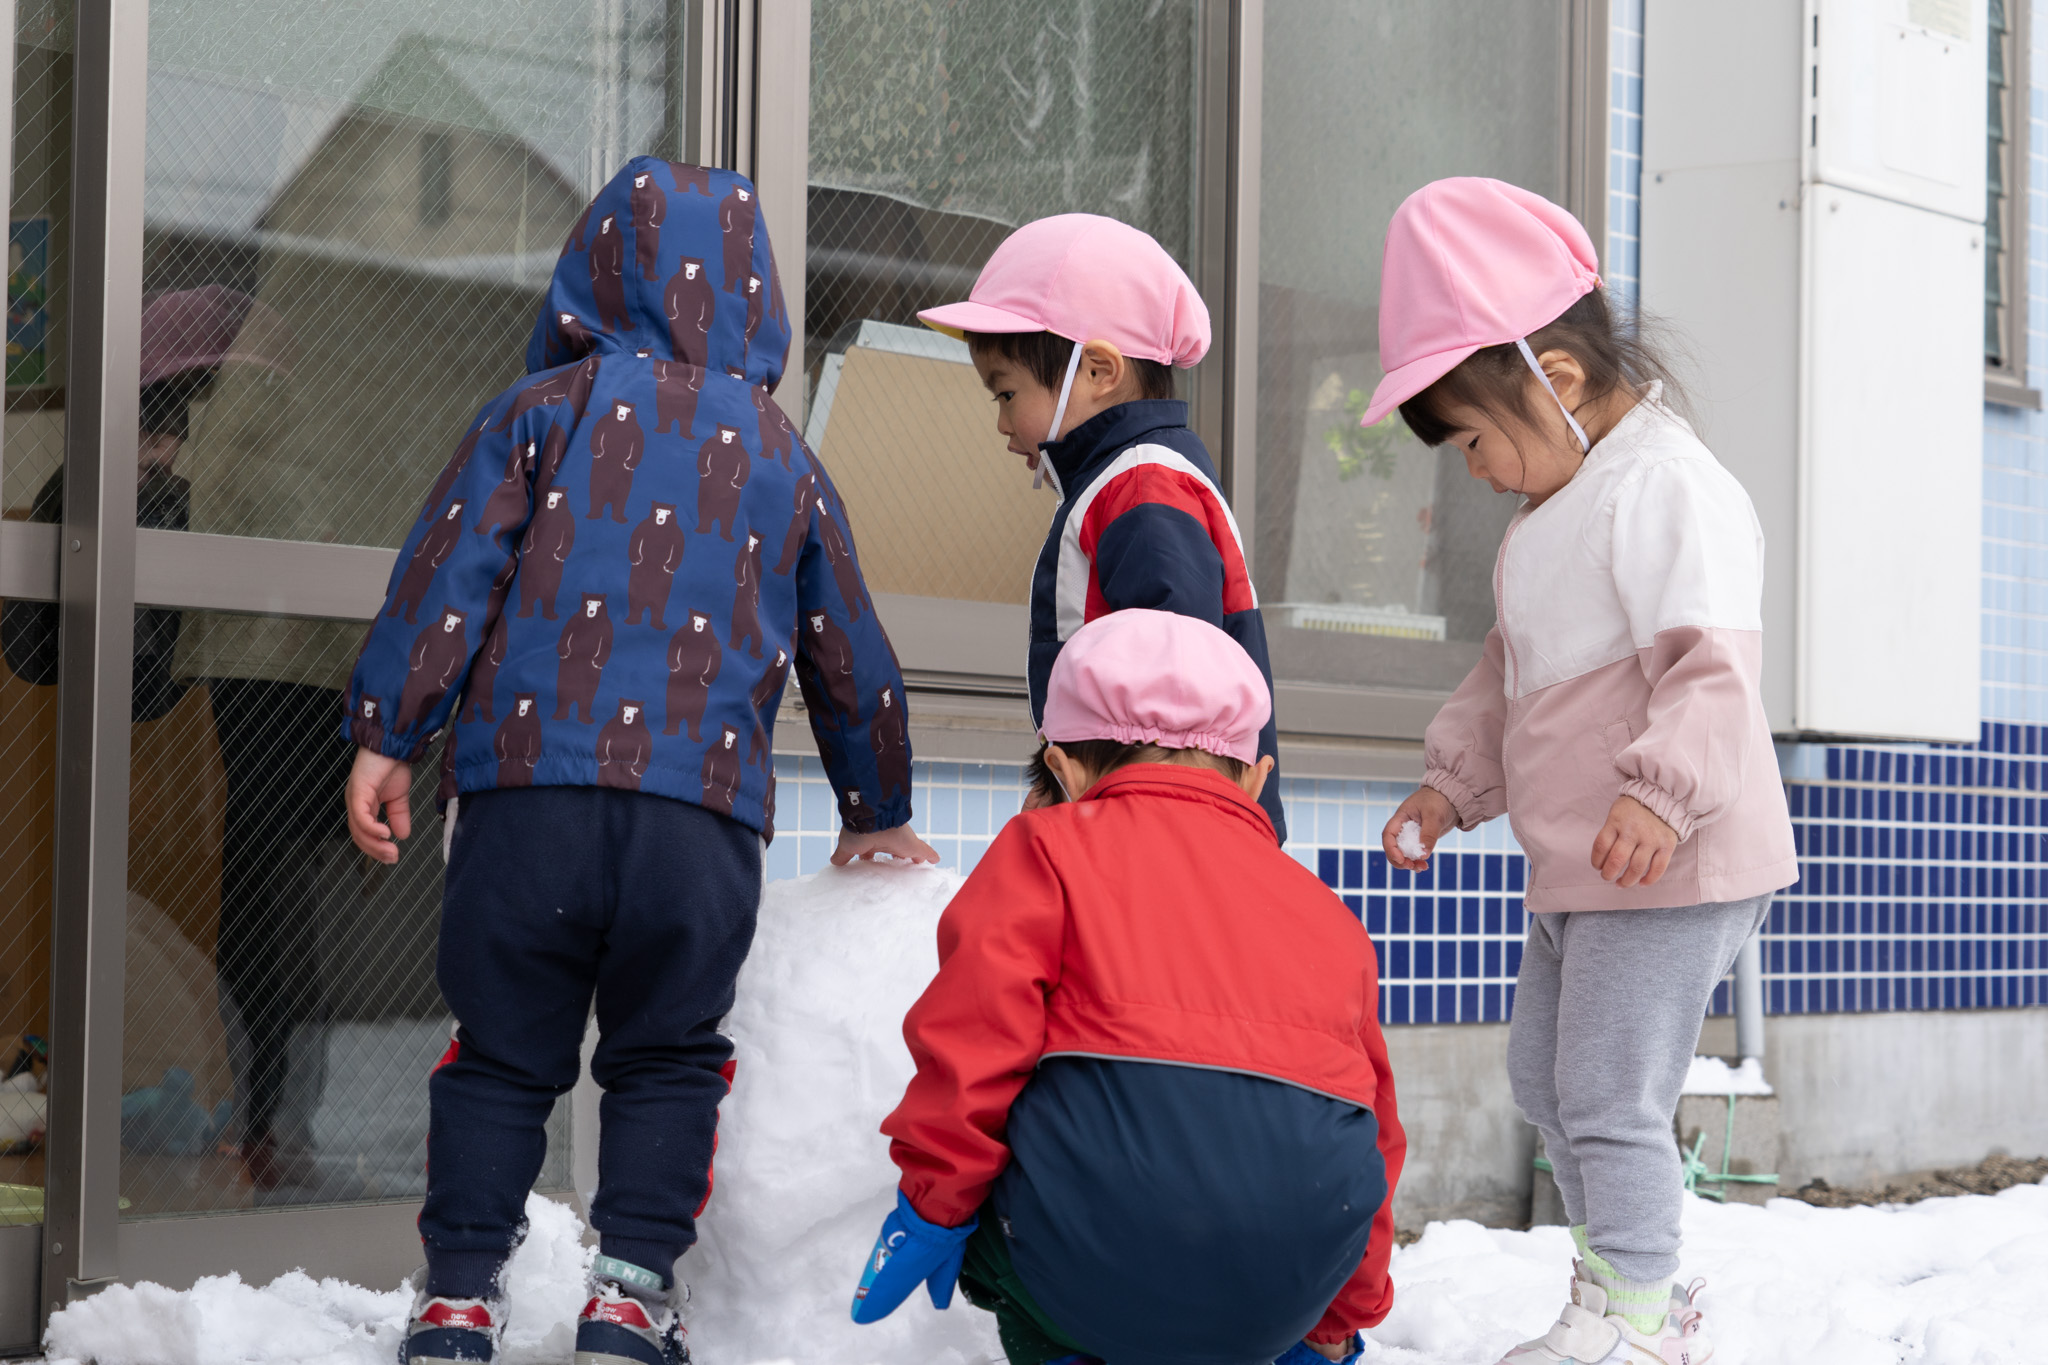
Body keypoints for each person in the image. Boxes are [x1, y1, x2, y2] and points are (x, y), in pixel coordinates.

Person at [341, 158, 938, 1365]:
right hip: (696, 822)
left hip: (527, 802)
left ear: (592, 270)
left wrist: (385, 734)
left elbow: (446, 581)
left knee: (501, 1053)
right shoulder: (783, 455)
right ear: (758, 297)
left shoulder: (540, 413)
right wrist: (877, 801)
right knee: (667, 1057)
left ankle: (459, 1297)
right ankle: (627, 1293)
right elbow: (848, 651)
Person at [1369, 178, 1796, 1365]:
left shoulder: (1662, 485)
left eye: (1467, 436)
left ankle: (1637, 1320)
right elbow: (1510, 676)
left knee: (1607, 1092)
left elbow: (1710, 667)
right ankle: (1627, 1288)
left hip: (1671, 849)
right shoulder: (1549, 517)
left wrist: (1658, 792)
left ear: (1552, 378)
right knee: (1546, 1083)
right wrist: (1452, 782)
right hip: (1581, 862)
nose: (1469, 466)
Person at [852, 609, 1404, 1365]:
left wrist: (932, 1209)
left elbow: (974, 1045)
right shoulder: (1330, 914)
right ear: (1257, 775)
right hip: (1284, 1294)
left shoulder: (1045, 849)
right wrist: (1340, 1315)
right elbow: (1370, 1124)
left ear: (1065, 768)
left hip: (1088, 1276)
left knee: (995, 1213)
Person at [914, 215, 1287, 841]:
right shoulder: (1127, 480)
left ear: (1098, 372)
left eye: (1005, 394)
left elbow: (1171, 692)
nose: (1002, 422)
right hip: (1163, 819)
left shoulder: (1141, 487)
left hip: (1163, 827)